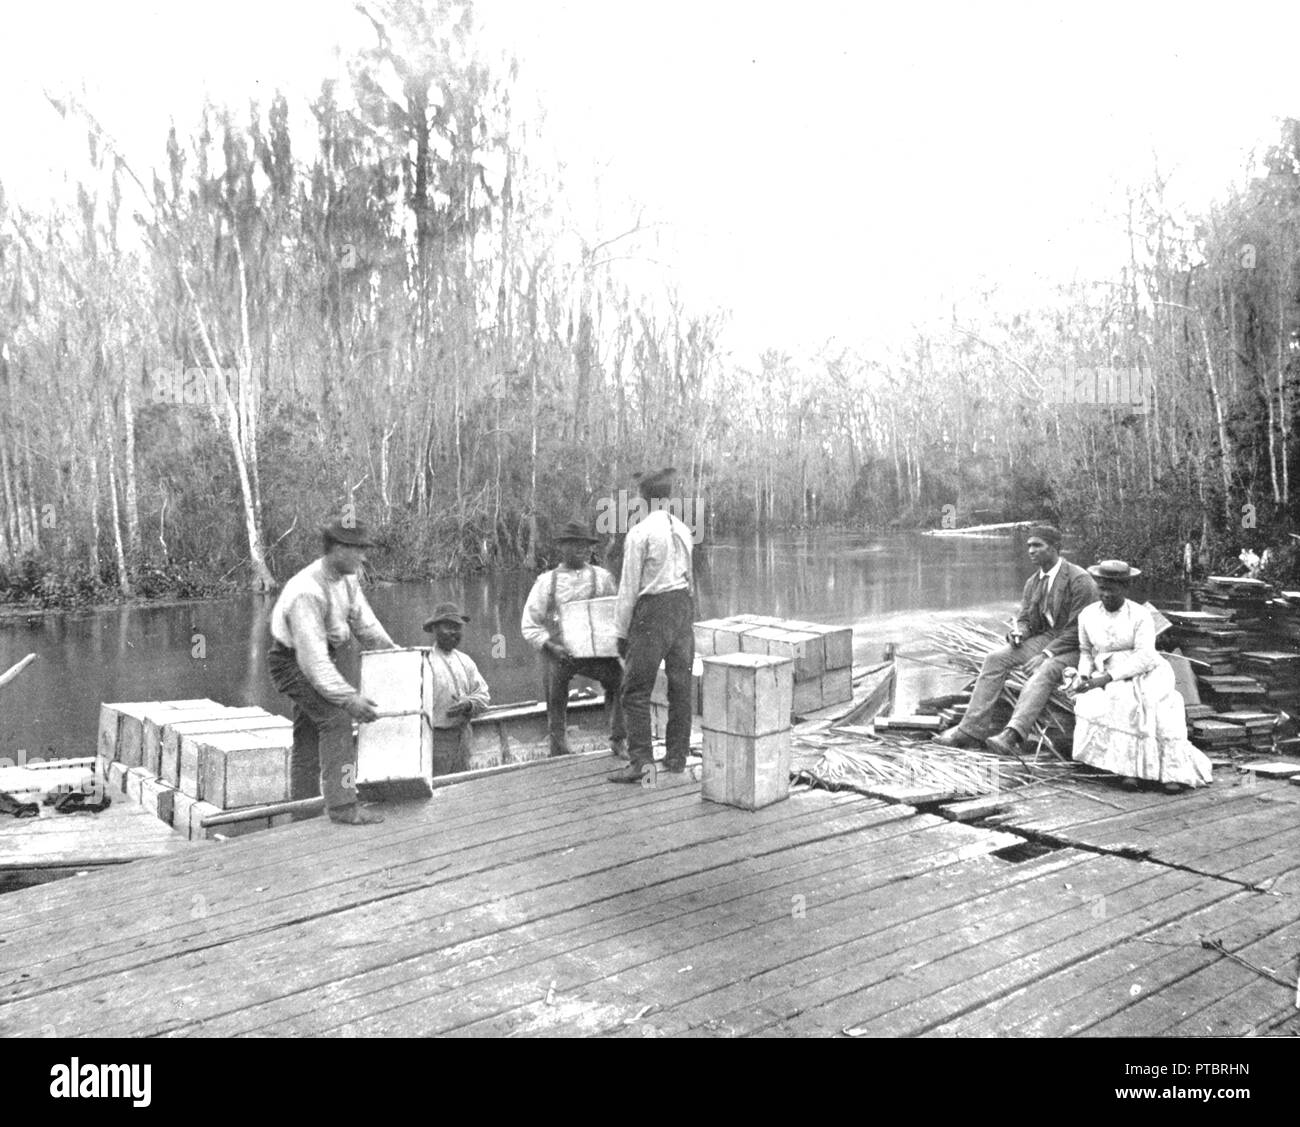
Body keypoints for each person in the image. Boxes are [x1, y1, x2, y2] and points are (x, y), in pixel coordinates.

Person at [267, 518, 396, 826]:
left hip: (322, 656)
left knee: (309, 732)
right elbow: (313, 663)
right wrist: (349, 698)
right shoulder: (306, 591)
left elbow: (365, 624)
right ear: (337, 549)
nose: (363, 557)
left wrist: (396, 656)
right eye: (357, 550)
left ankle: (303, 811)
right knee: (336, 719)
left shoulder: (348, 578)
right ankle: (342, 807)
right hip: (292, 662)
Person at [934, 524, 1097, 755]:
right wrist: (1020, 632)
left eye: (1037, 545)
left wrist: (1045, 654)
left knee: (1046, 669)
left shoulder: (1080, 581)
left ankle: (1012, 734)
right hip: (1048, 639)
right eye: (1029, 545)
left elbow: (1079, 629)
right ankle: (970, 730)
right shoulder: (1033, 582)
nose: (1031, 550)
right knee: (994, 659)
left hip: (1077, 646)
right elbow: (1026, 619)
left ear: (1055, 548)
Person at [1065, 561, 1212, 792]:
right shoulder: (1088, 615)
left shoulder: (1140, 615)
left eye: (1112, 589)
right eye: (1101, 588)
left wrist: (1108, 678)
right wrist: (1084, 676)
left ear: (1125, 588)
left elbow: (1145, 656)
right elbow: (1085, 652)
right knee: (1112, 699)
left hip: (1146, 671)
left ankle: (1168, 772)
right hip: (1105, 671)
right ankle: (1127, 771)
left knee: (1152, 703)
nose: (1105, 594)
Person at [609, 467, 695, 784]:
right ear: (668, 496)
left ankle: (642, 765)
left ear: (643, 498)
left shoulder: (640, 533)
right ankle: (676, 758)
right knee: (680, 688)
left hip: (653, 612)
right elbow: (690, 579)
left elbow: (628, 588)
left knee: (635, 690)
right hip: (683, 609)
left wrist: (621, 632)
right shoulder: (684, 530)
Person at [520, 519, 627, 758]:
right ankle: (558, 746)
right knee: (555, 690)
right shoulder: (547, 581)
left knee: (619, 679)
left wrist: (614, 642)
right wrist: (550, 646)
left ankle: (619, 738)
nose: (582, 549)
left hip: (595, 651)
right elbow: (529, 624)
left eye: (586, 545)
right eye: (575, 544)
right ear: (562, 547)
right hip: (561, 651)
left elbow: (618, 611)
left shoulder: (603, 578)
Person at [422, 601, 491, 776]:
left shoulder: (466, 661)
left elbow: (483, 695)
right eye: (448, 627)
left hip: (465, 736)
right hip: (436, 740)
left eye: (457, 627)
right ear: (435, 629)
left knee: (465, 785)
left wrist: (468, 704)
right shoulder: (424, 662)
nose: (454, 632)